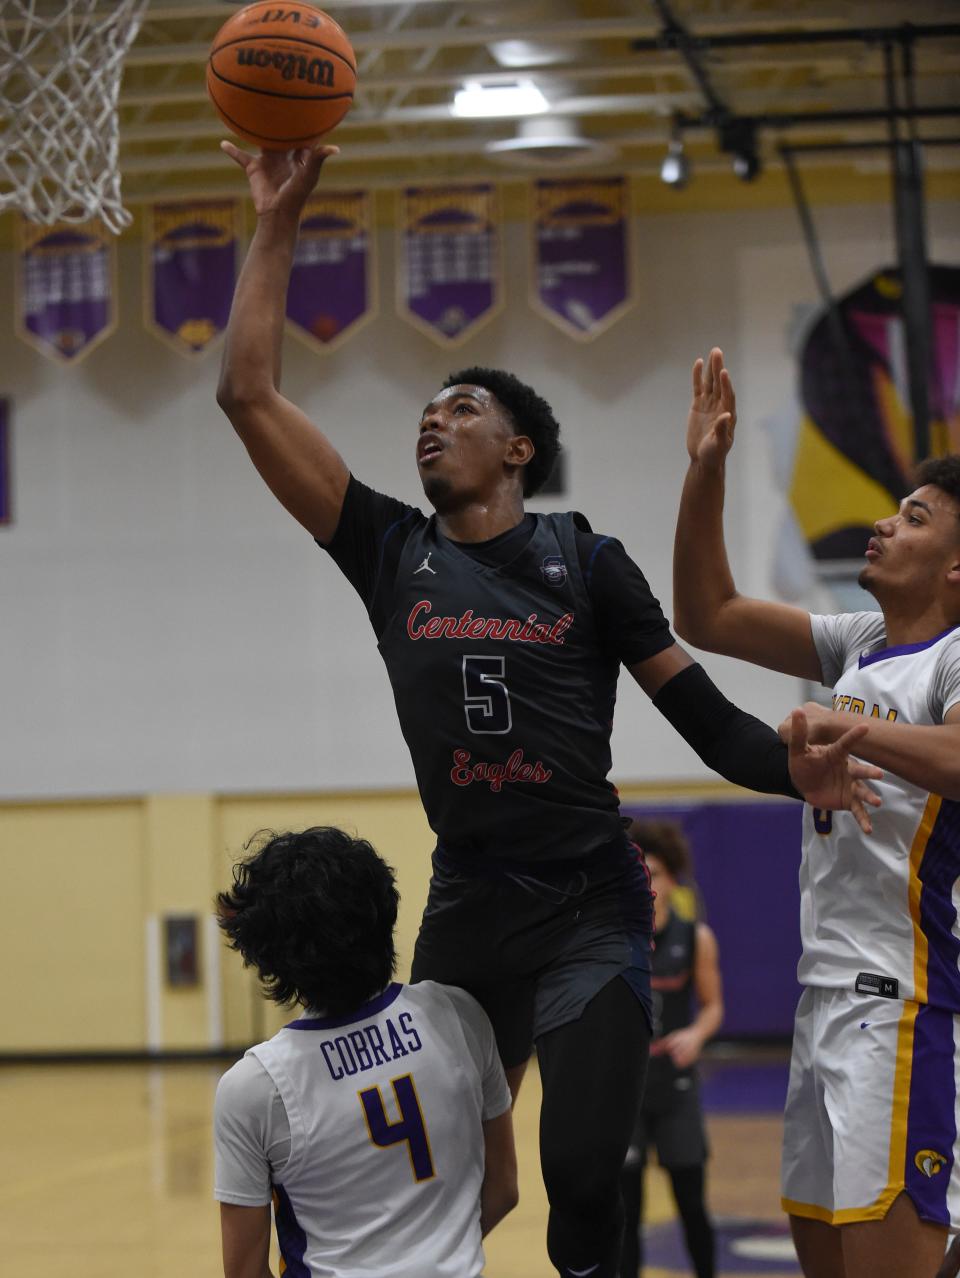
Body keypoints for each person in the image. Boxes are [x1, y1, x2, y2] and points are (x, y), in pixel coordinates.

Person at [214, 139, 882, 1278]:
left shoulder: (587, 562)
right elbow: (246, 391)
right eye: (423, 413)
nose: (433, 423)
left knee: (581, 1176)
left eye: (460, 408)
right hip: (470, 899)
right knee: (451, 1173)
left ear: (516, 449)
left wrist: (792, 770)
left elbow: (708, 719)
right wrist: (275, 220)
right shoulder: (389, 551)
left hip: (588, 903)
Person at [672, 347, 960, 1278]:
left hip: (907, 1006)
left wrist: (846, 730)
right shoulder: (864, 641)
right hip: (823, 1000)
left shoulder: (954, 657)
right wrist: (705, 470)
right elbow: (706, 612)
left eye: (913, 517)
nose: (884, 520)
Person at [213, 826, 517, 1278]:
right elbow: (503, 1188)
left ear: (268, 954)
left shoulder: (258, 1085)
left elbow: (243, 1272)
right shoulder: (458, 1015)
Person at [620, 820, 722, 1278]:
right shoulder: (617, 938)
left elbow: (714, 1007)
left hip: (676, 1086)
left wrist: (697, 1035)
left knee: (691, 1205)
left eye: (655, 871)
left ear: (672, 878)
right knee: (626, 1213)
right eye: (638, 870)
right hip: (627, 1091)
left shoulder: (695, 936)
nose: (647, 880)